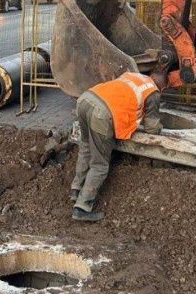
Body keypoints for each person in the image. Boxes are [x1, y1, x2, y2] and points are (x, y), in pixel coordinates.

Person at [71, 70, 167, 222]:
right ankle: (82, 207)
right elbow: (152, 128)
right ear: (161, 87)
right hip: (101, 115)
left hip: (86, 99)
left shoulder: (134, 75)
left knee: (85, 147)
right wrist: (159, 125)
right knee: (100, 164)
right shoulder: (153, 92)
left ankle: (76, 189)